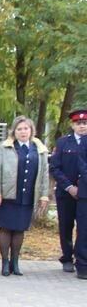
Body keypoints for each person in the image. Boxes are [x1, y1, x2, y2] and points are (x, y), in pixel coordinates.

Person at [0, 116, 50, 276]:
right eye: (19, 129)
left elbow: (44, 174)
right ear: (14, 132)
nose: (23, 132)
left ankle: (15, 262)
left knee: (19, 229)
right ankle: (4, 262)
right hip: (8, 195)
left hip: (27, 195)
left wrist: (44, 195)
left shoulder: (39, 149)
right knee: (5, 227)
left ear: (31, 131)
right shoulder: (6, 148)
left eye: (26, 129)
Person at [49, 107, 87, 277]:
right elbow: (55, 168)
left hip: (85, 193)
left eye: (85, 123)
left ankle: (82, 261)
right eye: (78, 123)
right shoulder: (63, 142)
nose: (82, 126)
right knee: (66, 226)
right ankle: (67, 258)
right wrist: (69, 187)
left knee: (84, 228)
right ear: (72, 125)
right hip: (66, 192)